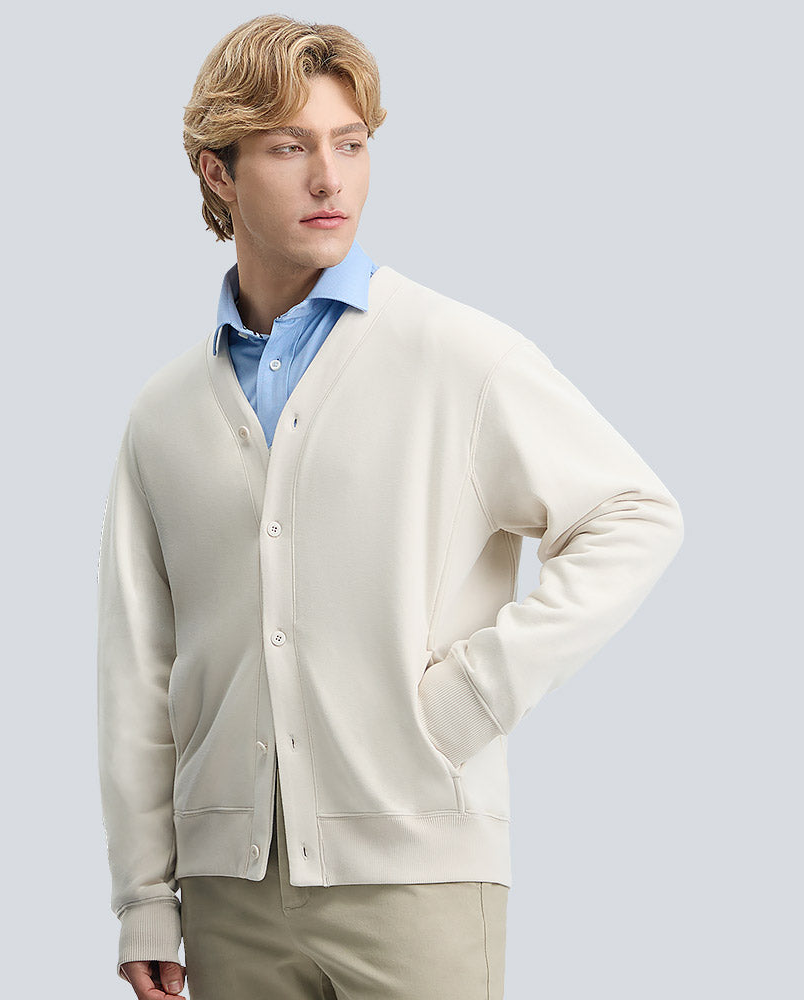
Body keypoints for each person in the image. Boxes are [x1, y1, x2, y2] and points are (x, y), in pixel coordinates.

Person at [96, 13, 684, 1000]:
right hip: (228, 893)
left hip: (420, 871)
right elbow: (138, 665)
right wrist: (145, 896)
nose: (330, 180)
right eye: (290, 148)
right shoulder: (164, 415)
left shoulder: (456, 357)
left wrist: (473, 697)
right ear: (217, 172)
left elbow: (633, 513)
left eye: (351, 144)